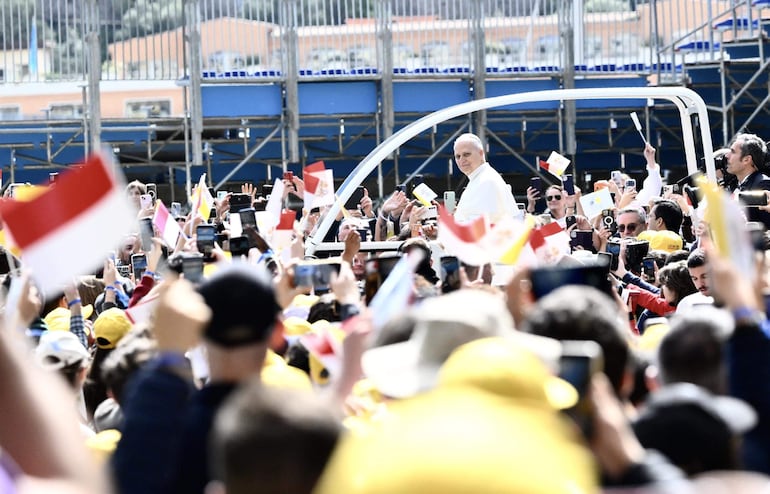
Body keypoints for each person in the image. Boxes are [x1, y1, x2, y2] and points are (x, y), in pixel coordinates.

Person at [452, 133, 516, 223]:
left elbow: (479, 225)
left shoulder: (486, 181)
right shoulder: (480, 178)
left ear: (481, 153)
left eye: (466, 154)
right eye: (458, 156)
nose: (461, 160)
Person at [726, 133, 770, 229]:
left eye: (733, 152)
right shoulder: (732, 186)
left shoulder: (762, 184)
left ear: (746, 159)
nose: (727, 155)